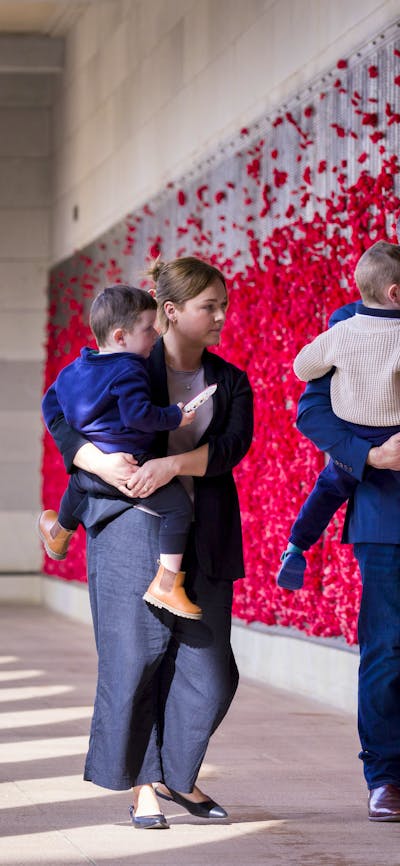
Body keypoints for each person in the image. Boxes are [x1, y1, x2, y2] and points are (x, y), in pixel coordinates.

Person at [42, 255, 253, 828]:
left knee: (212, 676)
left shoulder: (229, 380)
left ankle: (173, 776)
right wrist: (98, 461)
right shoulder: (129, 358)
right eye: (210, 306)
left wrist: (172, 465)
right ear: (170, 312)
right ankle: (142, 787)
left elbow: (233, 447)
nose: (220, 317)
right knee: (135, 661)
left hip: (202, 535)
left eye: (223, 306)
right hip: (128, 527)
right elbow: (60, 414)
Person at [293, 245, 400, 821]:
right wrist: (372, 454)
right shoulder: (346, 327)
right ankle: (385, 777)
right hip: (386, 512)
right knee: (387, 647)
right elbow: (312, 411)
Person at [39, 283, 201, 620]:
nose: (156, 335)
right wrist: (176, 417)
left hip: (88, 474)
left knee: (77, 489)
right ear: (121, 336)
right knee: (178, 509)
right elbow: (138, 416)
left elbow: (49, 403)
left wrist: (90, 452)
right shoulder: (130, 369)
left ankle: (57, 535)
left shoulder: (74, 370)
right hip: (129, 466)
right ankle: (167, 584)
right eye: (148, 329)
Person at [277, 240, 400, 591]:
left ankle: (296, 547)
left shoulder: (343, 332)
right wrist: (371, 456)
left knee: (328, 488)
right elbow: (311, 411)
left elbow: (302, 367)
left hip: (361, 437)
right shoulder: (345, 320)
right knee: (386, 638)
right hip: (379, 473)